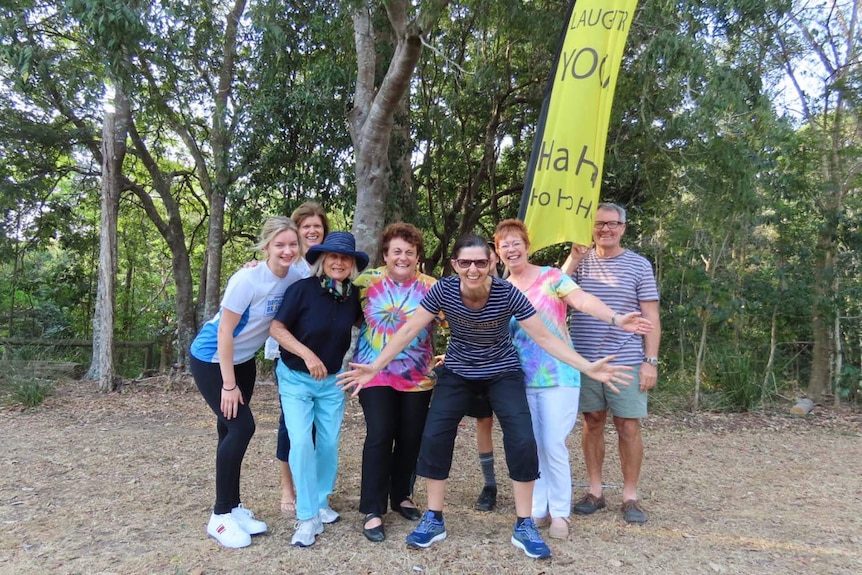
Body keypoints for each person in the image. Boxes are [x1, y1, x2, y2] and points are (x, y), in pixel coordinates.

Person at [338, 234, 632, 560]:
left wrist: (587, 366)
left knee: (522, 439)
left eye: (480, 262)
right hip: (459, 372)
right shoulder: (444, 290)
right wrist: (375, 366)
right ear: (455, 265)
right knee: (434, 436)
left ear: (492, 262)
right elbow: (408, 330)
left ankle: (524, 524)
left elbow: (545, 337)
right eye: (465, 263)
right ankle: (434, 518)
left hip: (502, 372)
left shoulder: (508, 293)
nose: (473, 269)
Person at [494, 219, 653, 539]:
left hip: (560, 375)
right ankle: (536, 508)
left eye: (516, 243)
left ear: (527, 246)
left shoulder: (551, 277)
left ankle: (560, 513)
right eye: (504, 245)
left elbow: (582, 300)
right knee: (529, 445)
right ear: (498, 253)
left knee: (552, 443)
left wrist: (616, 317)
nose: (512, 249)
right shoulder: (500, 289)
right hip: (518, 379)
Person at [189, 216, 303, 548]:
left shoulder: (296, 274)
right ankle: (219, 516)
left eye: (292, 244)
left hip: (244, 361)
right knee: (241, 428)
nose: (286, 250)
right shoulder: (247, 280)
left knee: (228, 430)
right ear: (266, 246)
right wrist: (227, 384)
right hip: (212, 358)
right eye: (279, 245)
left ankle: (234, 506)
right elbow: (224, 331)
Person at [562, 202, 661, 525]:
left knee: (627, 425)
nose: (606, 229)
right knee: (592, 421)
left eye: (612, 224)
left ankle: (630, 495)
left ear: (623, 227)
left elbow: (651, 316)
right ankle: (595, 490)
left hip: (628, 360)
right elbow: (551, 291)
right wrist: (574, 257)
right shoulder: (581, 261)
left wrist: (650, 361)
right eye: (599, 224)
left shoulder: (638, 265)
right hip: (586, 360)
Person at [269, 231, 368, 547]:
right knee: (300, 443)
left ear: (351, 264)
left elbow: (367, 325)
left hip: (332, 381)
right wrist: (307, 354)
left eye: (345, 258)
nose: (339, 262)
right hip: (296, 378)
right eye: (333, 257)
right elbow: (276, 328)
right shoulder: (302, 290)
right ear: (323, 260)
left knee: (327, 444)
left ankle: (321, 501)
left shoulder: (351, 295)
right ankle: (307, 516)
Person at [352, 223, 443, 542]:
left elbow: (457, 318)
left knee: (410, 437)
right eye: (396, 252)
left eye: (410, 252)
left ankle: (401, 494)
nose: (403, 257)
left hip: (418, 377)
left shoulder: (433, 286)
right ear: (385, 255)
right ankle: (373, 509)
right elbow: (336, 305)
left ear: (418, 256)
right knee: (380, 433)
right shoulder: (366, 282)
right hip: (372, 372)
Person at [271, 202, 330, 517]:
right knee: (290, 427)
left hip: (322, 360)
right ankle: (287, 487)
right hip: (290, 356)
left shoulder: (329, 264)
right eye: (305, 226)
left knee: (318, 429)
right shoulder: (289, 264)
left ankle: (314, 488)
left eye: (317, 226)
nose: (312, 231)